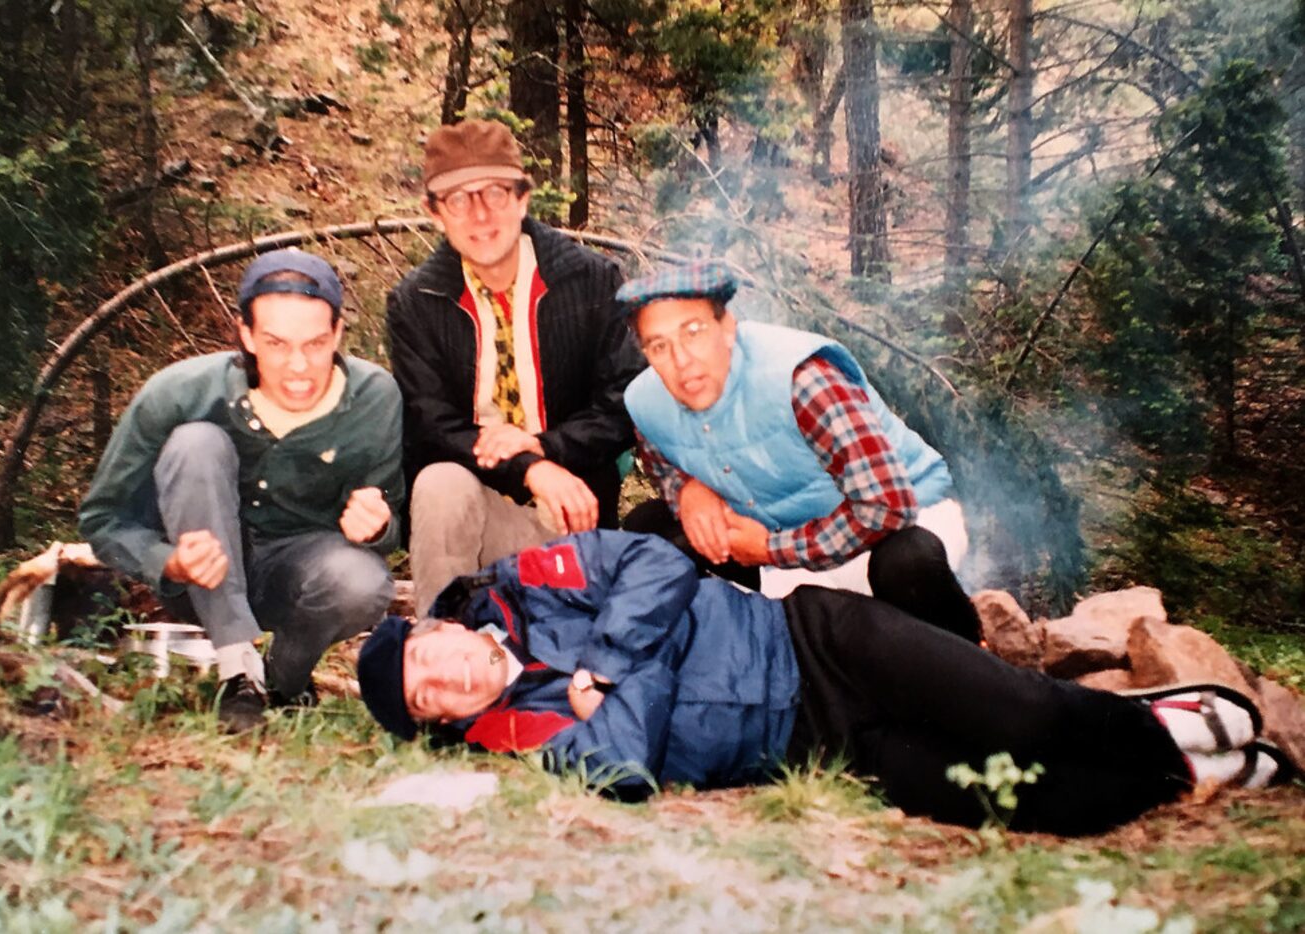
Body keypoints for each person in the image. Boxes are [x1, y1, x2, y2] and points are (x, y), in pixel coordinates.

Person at [357, 530, 1289, 835]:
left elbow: (656, 563)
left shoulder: (528, 578)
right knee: (1026, 804)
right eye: (428, 699)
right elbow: (627, 764)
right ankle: (1197, 774)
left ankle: (1168, 718)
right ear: (444, 722)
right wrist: (646, 656)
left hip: (821, 643)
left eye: (424, 659)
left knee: (1026, 711)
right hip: (827, 747)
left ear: (438, 625)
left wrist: (604, 665)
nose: (442, 680)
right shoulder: (511, 736)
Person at [80, 249, 404, 732]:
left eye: (316, 343)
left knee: (363, 582)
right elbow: (102, 519)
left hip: (295, 579)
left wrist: (377, 525)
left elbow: (392, 525)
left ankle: (282, 679)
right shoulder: (178, 392)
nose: (298, 366)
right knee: (196, 443)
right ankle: (237, 668)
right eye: (276, 343)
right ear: (246, 335)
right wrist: (166, 560)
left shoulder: (375, 398)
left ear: (338, 333)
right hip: (199, 578)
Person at [617, 261, 981, 641]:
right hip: (777, 540)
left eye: (693, 332)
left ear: (727, 328)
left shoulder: (802, 380)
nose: (681, 360)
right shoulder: (646, 401)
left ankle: (971, 651)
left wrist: (771, 549)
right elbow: (661, 462)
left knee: (907, 561)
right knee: (650, 525)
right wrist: (688, 490)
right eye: (659, 345)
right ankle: (742, 654)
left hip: (899, 522)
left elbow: (887, 506)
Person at [386, 119, 644, 619]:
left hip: (570, 516)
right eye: (458, 199)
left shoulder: (590, 279)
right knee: (439, 481)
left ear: (524, 199)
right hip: (467, 519)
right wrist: (531, 468)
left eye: (496, 194)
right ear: (435, 214)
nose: (480, 215)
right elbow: (432, 427)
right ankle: (439, 643)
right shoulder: (416, 302)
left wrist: (549, 447)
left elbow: (624, 402)